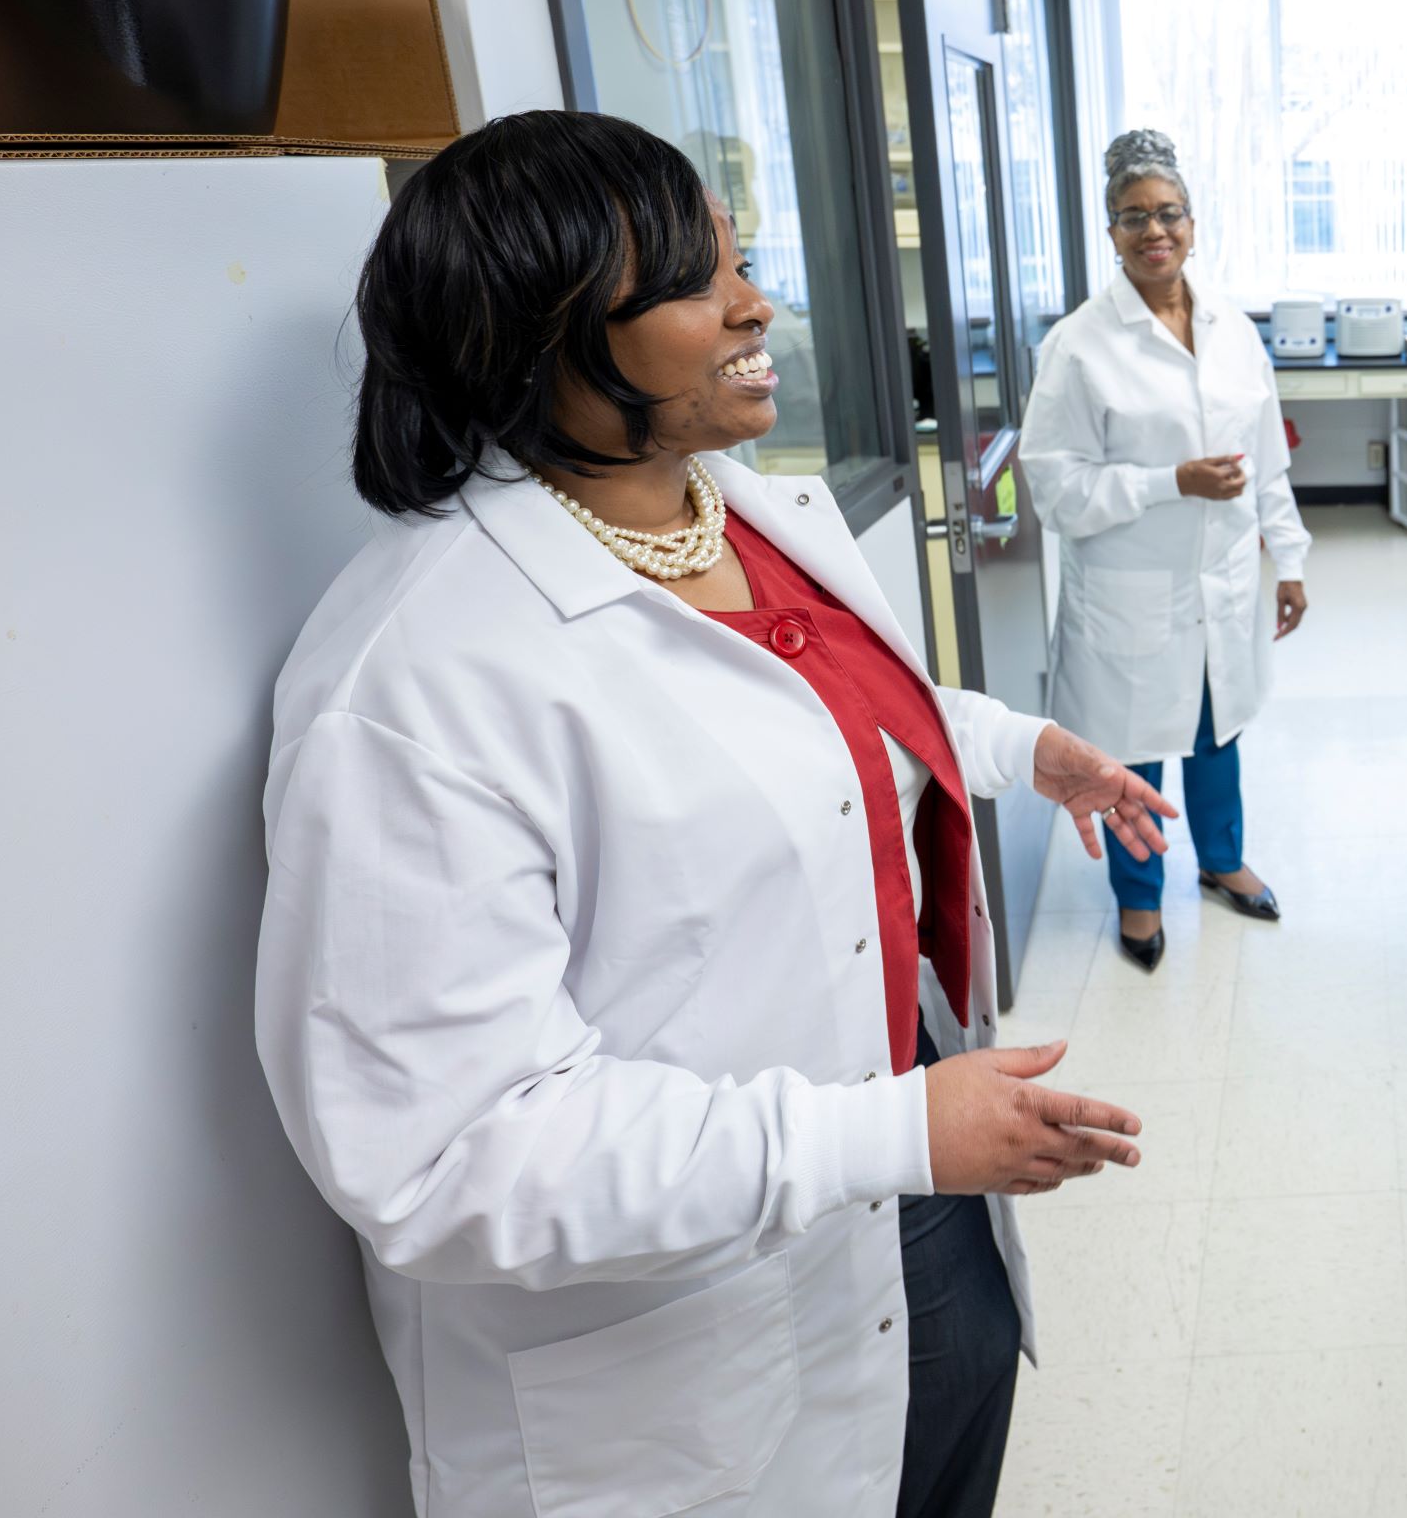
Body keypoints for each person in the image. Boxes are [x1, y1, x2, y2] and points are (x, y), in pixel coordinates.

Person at [256, 111, 1169, 1518]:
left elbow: (819, 723)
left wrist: (1013, 746)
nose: (755, 306)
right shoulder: (416, 679)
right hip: (688, 1340)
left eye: (739, 260)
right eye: (694, 281)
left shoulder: (737, 510)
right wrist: (886, 1139)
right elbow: (444, 1153)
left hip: (912, 1206)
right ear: (536, 336)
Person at [1021, 128, 1311, 972]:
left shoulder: (1230, 327)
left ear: (1193, 220)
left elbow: (1268, 459)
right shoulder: (1078, 346)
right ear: (1109, 232)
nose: (1155, 231)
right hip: (1129, 593)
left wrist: (1288, 559)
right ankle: (1140, 901)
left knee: (1219, 730)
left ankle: (1221, 861)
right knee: (1130, 751)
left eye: (1169, 213)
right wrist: (1168, 482)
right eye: (1133, 217)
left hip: (1222, 584)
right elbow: (1057, 490)